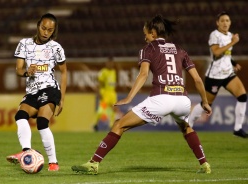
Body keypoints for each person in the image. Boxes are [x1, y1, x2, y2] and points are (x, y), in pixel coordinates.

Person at [71, 15, 212, 175]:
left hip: (161, 98)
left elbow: (143, 75)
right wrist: (205, 102)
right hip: (182, 100)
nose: (144, 37)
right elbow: (198, 79)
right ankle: (204, 164)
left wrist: (129, 97)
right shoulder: (180, 50)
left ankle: (93, 163)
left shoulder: (149, 49)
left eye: (145, 33)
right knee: (186, 128)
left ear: (153, 33)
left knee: (119, 124)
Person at [6, 13, 67, 171]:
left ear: (54, 31)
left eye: (50, 30)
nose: (46, 32)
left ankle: (53, 163)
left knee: (42, 122)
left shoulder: (56, 48)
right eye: (44, 28)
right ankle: (26, 152)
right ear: (38, 26)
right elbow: (18, 70)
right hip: (33, 91)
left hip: (50, 89)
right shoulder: (24, 44)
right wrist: (27, 72)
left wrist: (62, 99)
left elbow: (65, 73)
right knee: (20, 115)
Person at [188, 11, 247, 138]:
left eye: (227, 20)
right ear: (217, 23)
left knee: (242, 96)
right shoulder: (215, 35)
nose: (225, 23)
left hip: (228, 74)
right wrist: (233, 42)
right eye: (222, 21)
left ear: (230, 23)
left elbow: (226, 54)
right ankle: (189, 124)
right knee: (207, 104)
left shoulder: (230, 35)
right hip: (215, 75)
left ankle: (238, 128)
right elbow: (216, 53)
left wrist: (233, 63)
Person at [93, 57, 122, 131]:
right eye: (109, 63)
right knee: (101, 109)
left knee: (113, 109)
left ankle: (111, 125)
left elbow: (115, 82)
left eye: (112, 63)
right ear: (106, 63)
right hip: (105, 93)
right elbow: (99, 83)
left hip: (112, 93)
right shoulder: (103, 72)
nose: (110, 64)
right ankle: (95, 124)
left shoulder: (114, 71)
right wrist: (99, 92)